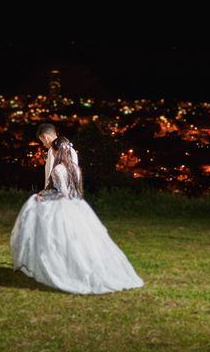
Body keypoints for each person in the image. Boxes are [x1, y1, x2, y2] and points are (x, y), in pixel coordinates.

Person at [10, 136, 144, 294]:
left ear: (56, 151)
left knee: (54, 236)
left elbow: (62, 194)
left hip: (62, 207)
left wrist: (42, 196)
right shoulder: (75, 168)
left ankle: (57, 267)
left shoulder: (58, 169)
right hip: (78, 206)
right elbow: (73, 191)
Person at [36, 123, 78, 188]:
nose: (44, 144)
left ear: (46, 137)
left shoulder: (51, 151)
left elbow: (49, 175)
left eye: (42, 141)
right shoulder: (70, 149)